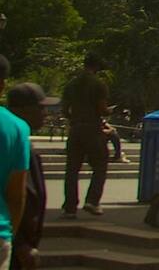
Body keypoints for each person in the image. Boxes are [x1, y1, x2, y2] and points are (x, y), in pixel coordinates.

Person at [3, 80, 50, 270]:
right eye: (40, 108)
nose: (45, 113)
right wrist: (20, 243)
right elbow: (16, 196)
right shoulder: (14, 146)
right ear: (21, 110)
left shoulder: (22, 143)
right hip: (13, 242)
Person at [59, 55, 111, 220]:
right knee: (100, 164)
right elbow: (102, 109)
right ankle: (92, 201)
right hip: (92, 129)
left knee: (72, 170)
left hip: (75, 129)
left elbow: (65, 110)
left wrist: (74, 118)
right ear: (97, 67)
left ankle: (70, 208)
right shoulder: (98, 84)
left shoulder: (71, 84)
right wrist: (109, 111)